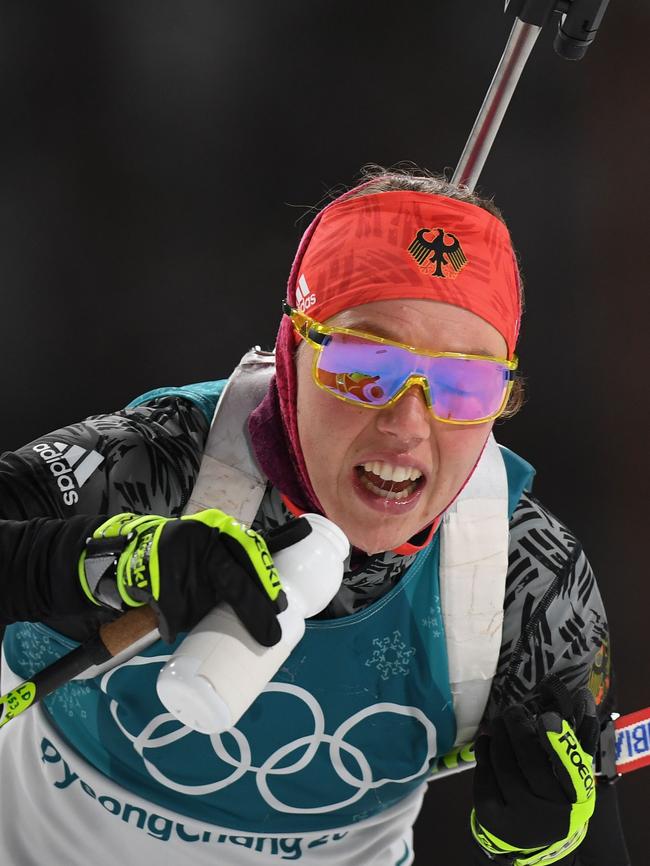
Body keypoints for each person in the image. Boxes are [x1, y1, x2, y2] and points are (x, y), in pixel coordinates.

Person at [0, 168, 629, 865]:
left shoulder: (527, 581)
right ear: (292, 354)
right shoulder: (157, 467)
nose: (406, 424)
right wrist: (115, 560)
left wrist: (547, 836)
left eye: (462, 384)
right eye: (365, 365)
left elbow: (594, 826)